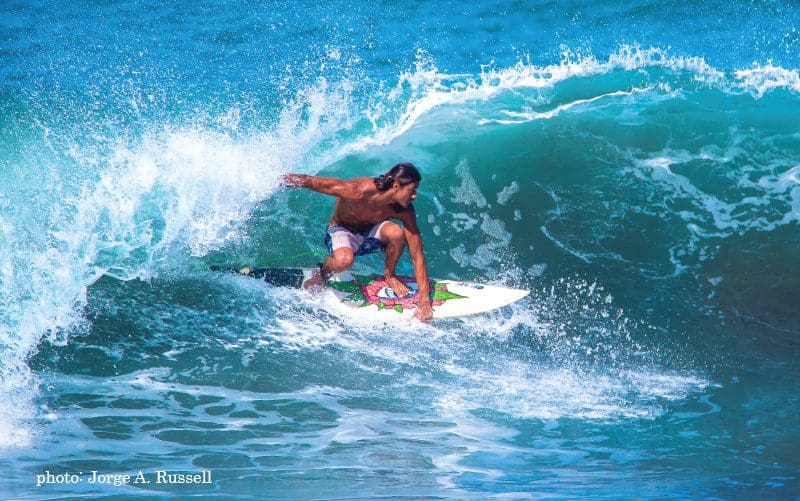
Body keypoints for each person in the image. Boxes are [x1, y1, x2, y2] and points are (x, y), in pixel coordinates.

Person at [283, 162, 433, 322]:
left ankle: (390, 275)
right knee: (343, 261)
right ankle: (321, 274)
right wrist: (278, 179)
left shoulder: (404, 210)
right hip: (342, 229)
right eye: (412, 190)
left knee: (396, 233)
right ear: (396, 186)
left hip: (370, 233)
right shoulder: (358, 190)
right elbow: (313, 182)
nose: (415, 195)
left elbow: (417, 255)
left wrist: (424, 303)